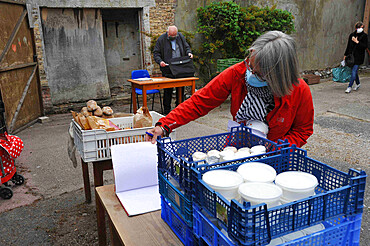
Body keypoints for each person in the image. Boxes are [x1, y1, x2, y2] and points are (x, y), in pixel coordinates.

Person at [146, 31, 314, 148]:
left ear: (277, 75)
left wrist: (277, 147)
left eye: (258, 73)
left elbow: (302, 130)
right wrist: (165, 125)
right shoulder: (238, 73)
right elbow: (200, 101)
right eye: (250, 64)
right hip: (239, 146)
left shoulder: (299, 90)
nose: (250, 73)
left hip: (278, 154)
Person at [153, 25, 193, 115]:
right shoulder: (161, 39)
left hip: (180, 68)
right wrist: (160, 62)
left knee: (180, 89)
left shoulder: (180, 36)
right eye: (171, 36)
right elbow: (156, 53)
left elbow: (187, 47)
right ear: (167, 33)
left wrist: (189, 53)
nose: (174, 37)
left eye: (175, 36)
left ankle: (179, 110)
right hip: (168, 69)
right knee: (168, 91)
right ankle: (166, 111)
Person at [343, 21, 368, 93]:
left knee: (354, 71)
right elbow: (348, 46)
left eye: (362, 28)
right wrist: (345, 55)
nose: (361, 29)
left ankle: (349, 86)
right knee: (354, 71)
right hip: (351, 57)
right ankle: (358, 83)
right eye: (359, 27)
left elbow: (365, 46)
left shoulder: (364, 36)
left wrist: (357, 42)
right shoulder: (352, 35)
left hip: (359, 57)